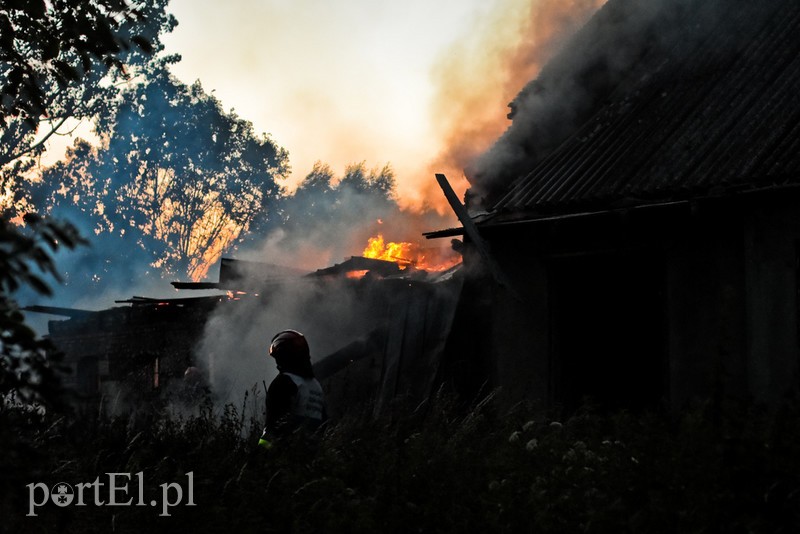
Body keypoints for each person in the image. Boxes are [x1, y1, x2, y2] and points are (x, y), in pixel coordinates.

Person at [258, 329, 326, 449]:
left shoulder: (284, 382)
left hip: (287, 457)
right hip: (313, 456)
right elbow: (324, 423)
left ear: (283, 357)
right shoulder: (316, 385)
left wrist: (259, 455)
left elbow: (274, 428)